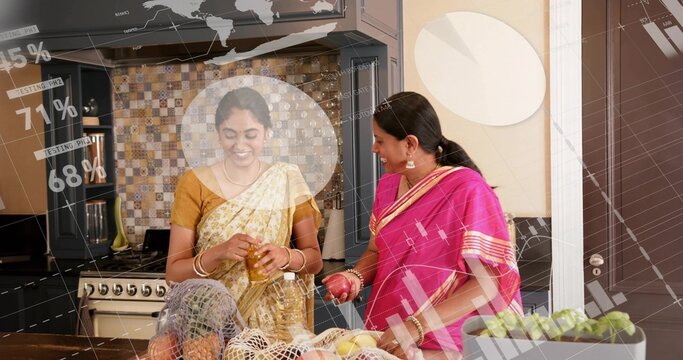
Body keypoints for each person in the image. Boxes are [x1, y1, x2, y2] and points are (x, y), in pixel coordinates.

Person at [323, 92, 521, 359]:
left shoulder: (468, 189)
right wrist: (354, 277)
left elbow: (488, 283)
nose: (374, 148)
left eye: (380, 140)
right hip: (390, 334)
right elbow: (376, 251)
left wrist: (416, 326)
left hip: (445, 339)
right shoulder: (388, 185)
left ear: (410, 144)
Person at [166, 87, 323, 333]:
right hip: (212, 327)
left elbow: (314, 260)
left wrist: (285, 256)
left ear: (267, 133)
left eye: (251, 134)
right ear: (218, 134)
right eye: (230, 134)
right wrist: (219, 253)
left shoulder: (286, 179)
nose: (240, 145)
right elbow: (174, 274)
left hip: (277, 329)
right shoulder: (194, 182)